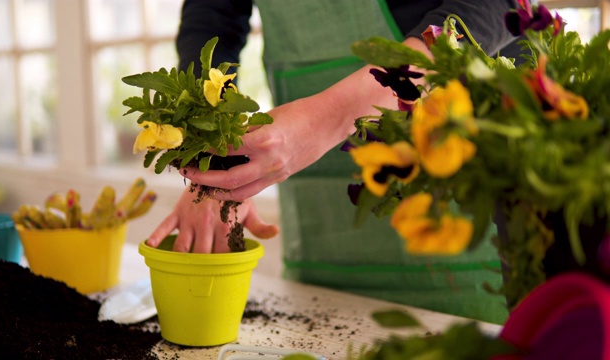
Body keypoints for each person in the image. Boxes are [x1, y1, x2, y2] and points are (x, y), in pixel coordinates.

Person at [148, 0, 526, 324]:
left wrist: (331, 115)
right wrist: (212, 154)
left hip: (471, 233)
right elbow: (211, 17)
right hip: (322, 253)